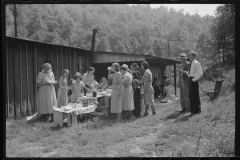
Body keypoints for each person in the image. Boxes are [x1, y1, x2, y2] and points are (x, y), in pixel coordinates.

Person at [187, 51, 203, 115]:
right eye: (189, 55)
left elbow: (200, 73)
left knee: (195, 96)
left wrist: (194, 80)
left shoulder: (196, 63)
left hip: (193, 80)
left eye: (190, 55)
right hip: (190, 79)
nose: (189, 57)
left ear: (194, 56)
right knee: (191, 96)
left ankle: (197, 111)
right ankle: (193, 110)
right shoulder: (191, 63)